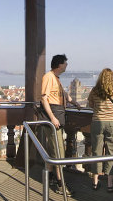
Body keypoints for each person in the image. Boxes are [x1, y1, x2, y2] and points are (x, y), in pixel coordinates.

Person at [40, 54, 81, 195]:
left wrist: (74, 102)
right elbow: (44, 99)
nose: (67, 65)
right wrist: (52, 117)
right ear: (59, 64)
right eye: (65, 63)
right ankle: (60, 185)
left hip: (58, 116)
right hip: (54, 117)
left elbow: (63, 95)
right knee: (58, 152)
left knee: (54, 151)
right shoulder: (48, 77)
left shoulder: (56, 79)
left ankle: (51, 178)